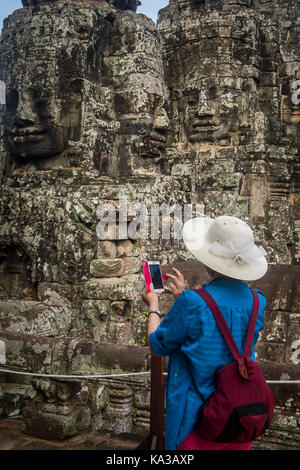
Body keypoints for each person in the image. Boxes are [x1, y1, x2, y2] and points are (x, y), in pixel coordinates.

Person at [142, 215, 268, 451]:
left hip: (198, 423)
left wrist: (153, 306)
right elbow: (221, 329)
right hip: (238, 420)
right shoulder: (257, 301)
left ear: (209, 262)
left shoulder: (194, 303)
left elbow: (157, 344)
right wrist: (184, 298)